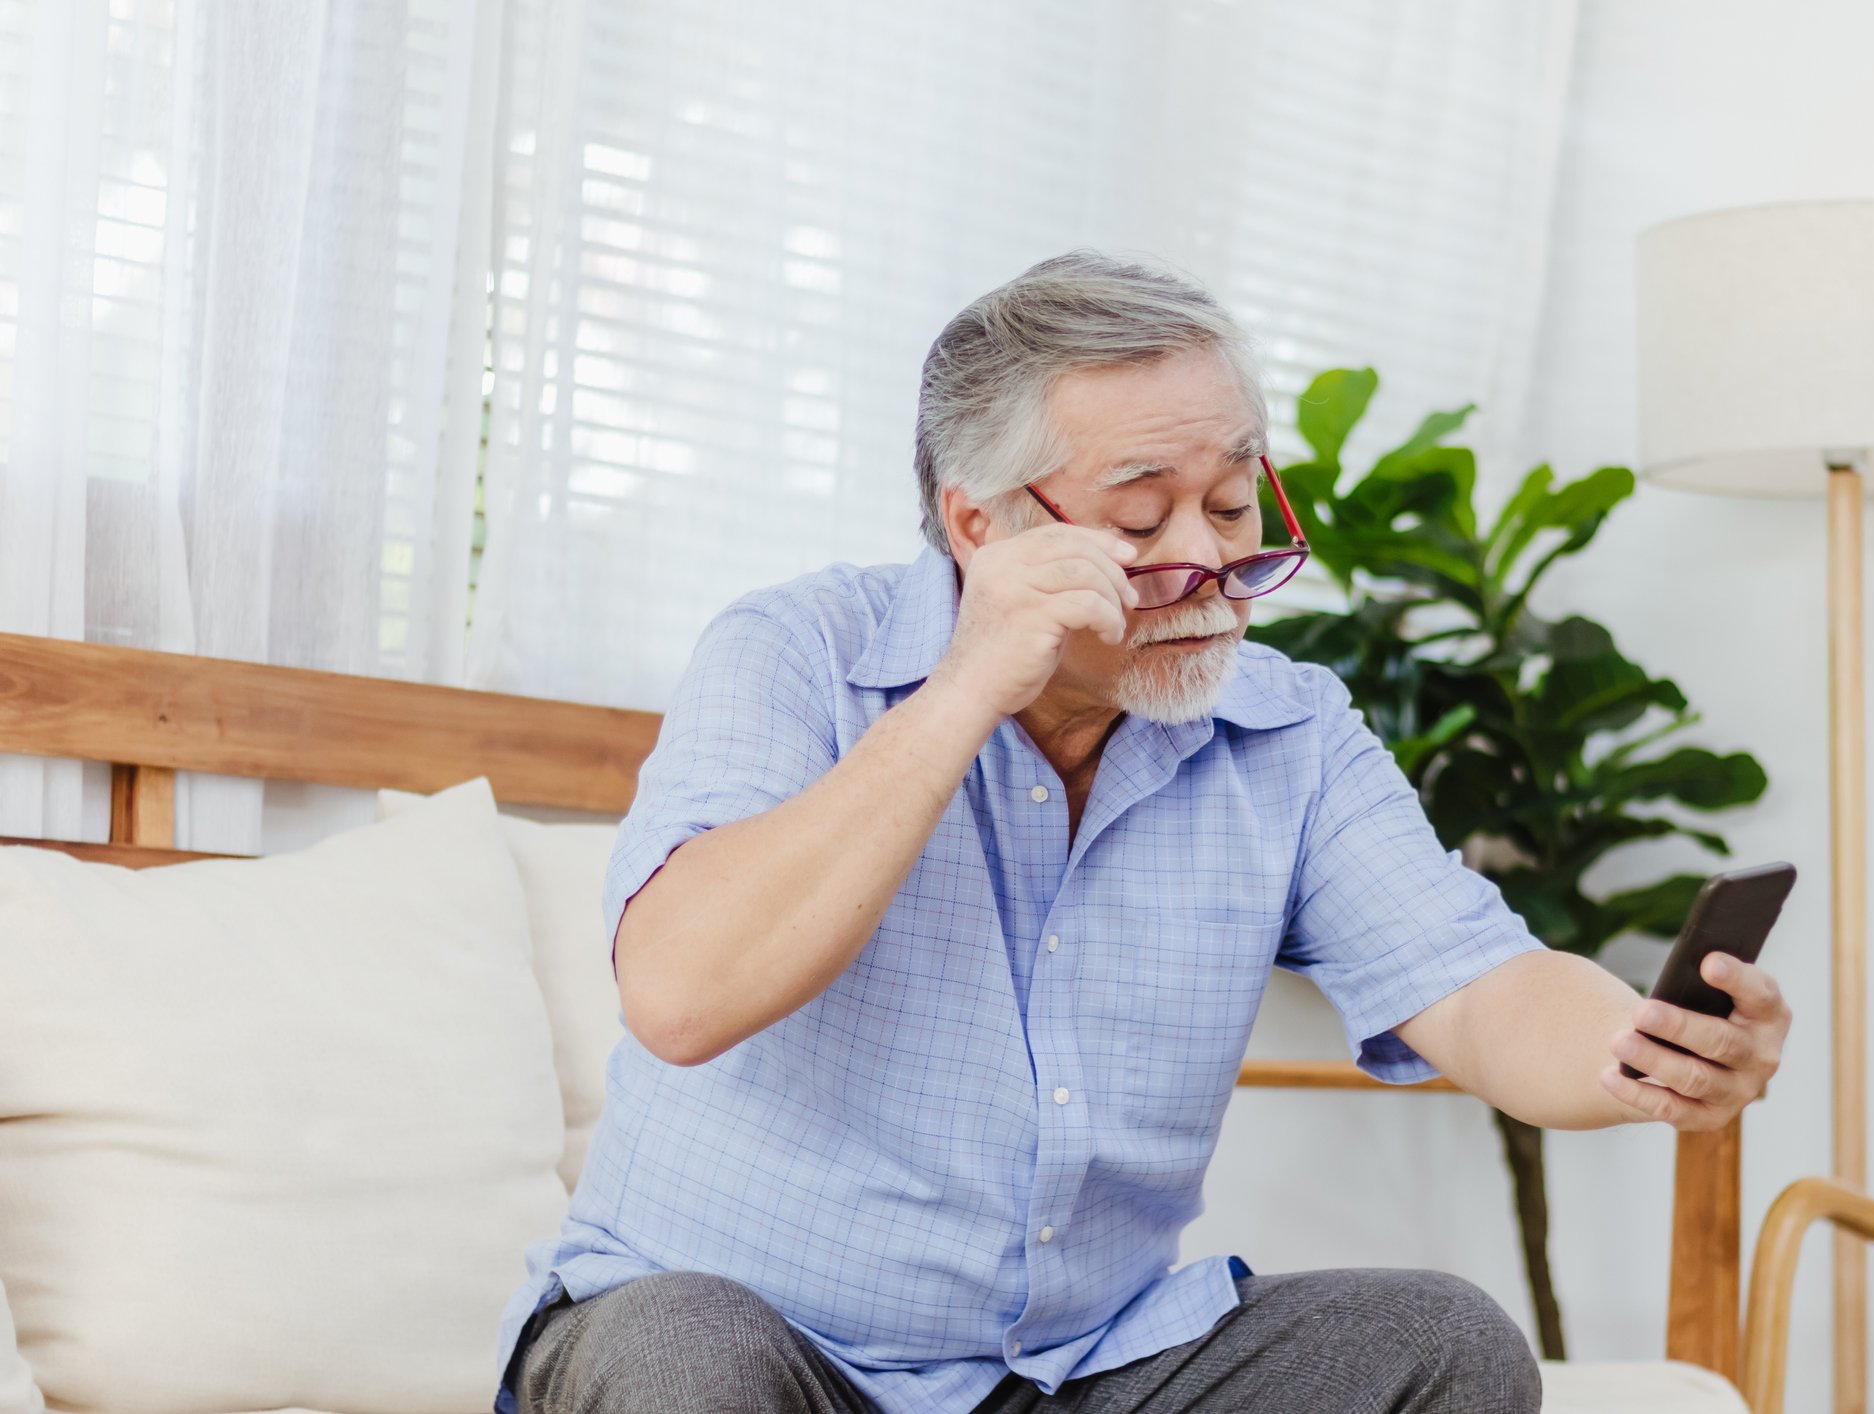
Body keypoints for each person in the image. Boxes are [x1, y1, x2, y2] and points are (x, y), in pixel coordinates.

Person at [494, 251, 1791, 1414]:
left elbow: (1477, 985)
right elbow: (678, 992)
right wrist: (964, 688)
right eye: (1137, 519)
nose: (1209, 566)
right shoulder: (794, 653)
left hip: (1073, 1372)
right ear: (979, 522)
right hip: (759, 1346)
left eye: (1231, 507)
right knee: (679, 1354)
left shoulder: (1284, 731)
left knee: (1438, 1340)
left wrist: (1636, 1049)